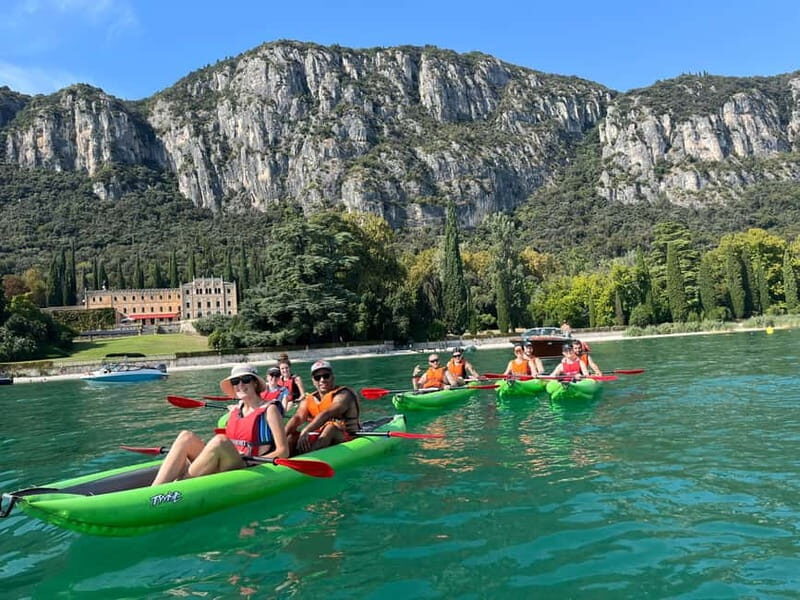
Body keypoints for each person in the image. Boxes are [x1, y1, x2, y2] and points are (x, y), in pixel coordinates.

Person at [151, 365, 289, 485]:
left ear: (255, 383)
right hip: (226, 461)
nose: (240, 385)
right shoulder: (236, 410)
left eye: (245, 380)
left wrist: (252, 462)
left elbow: (283, 451)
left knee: (220, 440)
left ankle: (177, 488)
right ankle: (155, 490)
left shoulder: (270, 410)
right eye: (235, 381)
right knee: (186, 436)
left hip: (246, 466)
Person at [285, 360, 361, 455]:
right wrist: (282, 435)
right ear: (313, 381)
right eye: (317, 377)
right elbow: (298, 418)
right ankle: (283, 458)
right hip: (321, 437)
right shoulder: (309, 399)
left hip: (348, 436)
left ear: (332, 377)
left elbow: (328, 413)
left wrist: (306, 430)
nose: (322, 380)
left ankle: (310, 458)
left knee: (330, 428)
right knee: (291, 437)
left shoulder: (344, 394)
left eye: (326, 376)